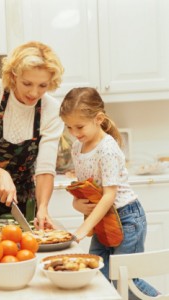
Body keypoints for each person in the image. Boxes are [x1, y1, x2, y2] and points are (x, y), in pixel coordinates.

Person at [59, 87, 160, 299]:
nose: (74, 133)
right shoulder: (78, 147)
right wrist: (76, 205)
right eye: (69, 127)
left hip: (127, 218)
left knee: (125, 280)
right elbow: (85, 188)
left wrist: (82, 229)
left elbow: (109, 195)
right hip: (103, 221)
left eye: (79, 126)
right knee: (97, 276)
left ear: (99, 119)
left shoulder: (107, 148)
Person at [0, 41, 64, 229]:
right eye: (27, 83)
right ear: (13, 75)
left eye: (43, 85)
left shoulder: (51, 109)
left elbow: (45, 170)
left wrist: (43, 208)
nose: (34, 93)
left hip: (22, 207)